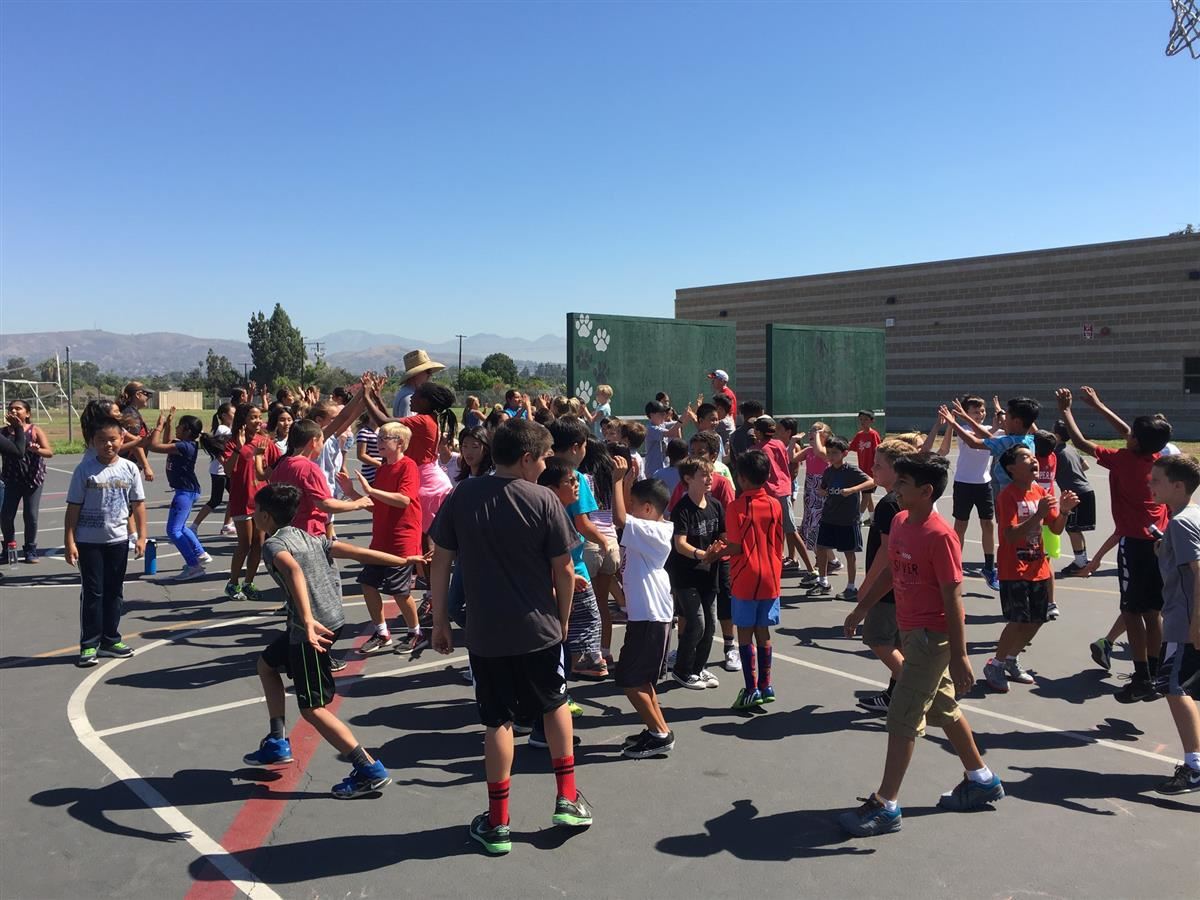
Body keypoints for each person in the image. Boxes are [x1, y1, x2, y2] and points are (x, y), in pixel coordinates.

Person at [429, 419, 593, 856]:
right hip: (539, 630)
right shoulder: (543, 499)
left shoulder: (463, 495)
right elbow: (564, 569)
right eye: (542, 459)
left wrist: (440, 620)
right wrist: (560, 621)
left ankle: (498, 822)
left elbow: (441, 560)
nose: (545, 466)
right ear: (525, 458)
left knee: (496, 720)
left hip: (485, 633)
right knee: (555, 703)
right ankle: (567, 797)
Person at [840, 453, 1004, 837]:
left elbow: (953, 599)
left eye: (902, 485)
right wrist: (861, 609)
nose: (894, 489)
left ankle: (886, 805)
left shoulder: (940, 536)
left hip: (934, 637)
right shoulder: (899, 521)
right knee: (944, 707)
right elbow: (891, 573)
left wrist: (962, 655)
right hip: (912, 633)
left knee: (901, 716)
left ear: (926, 491)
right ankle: (981, 778)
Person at [242, 483, 422, 797]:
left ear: (266, 517)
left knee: (314, 708)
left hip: (312, 628)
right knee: (266, 665)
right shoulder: (306, 536)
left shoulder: (274, 546)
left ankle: (368, 768)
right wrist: (400, 560)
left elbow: (294, 571)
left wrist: (308, 620)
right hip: (331, 620)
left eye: (256, 510)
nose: (253, 514)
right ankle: (276, 740)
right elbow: (350, 550)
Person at [1057, 386, 1171, 702]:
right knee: (1153, 612)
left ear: (1135, 441)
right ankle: (1156, 672)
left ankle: (1142, 678)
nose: (1127, 434)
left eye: (1131, 433)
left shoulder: (1122, 460)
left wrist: (1066, 410)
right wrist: (1098, 405)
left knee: (1131, 612)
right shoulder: (1158, 457)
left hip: (1133, 545)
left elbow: (1080, 443)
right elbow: (1128, 432)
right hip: (1158, 544)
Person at [982, 446, 1078, 693]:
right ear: (1011, 468)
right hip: (1014, 568)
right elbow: (1010, 535)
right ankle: (996, 663)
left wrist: (1064, 511)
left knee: (1038, 619)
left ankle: (1011, 659)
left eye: (1034, 457)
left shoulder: (1040, 492)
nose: (1034, 460)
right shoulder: (1007, 496)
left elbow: (1055, 529)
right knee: (1017, 620)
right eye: (1026, 457)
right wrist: (1039, 516)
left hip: (1039, 567)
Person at [843, 436, 921, 714]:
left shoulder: (889, 504)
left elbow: (887, 550)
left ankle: (916, 688)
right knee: (898, 641)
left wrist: (867, 585)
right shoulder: (905, 498)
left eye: (879, 466)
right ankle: (894, 694)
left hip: (889, 586)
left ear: (897, 470)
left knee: (877, 639)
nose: (873, 470)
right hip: (907, 582)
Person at [64, 416, 146, 668]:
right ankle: (89, 644)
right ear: (93, 442)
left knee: (114, 592)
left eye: (113, 439)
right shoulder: (85, 470)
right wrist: (70, 540)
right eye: (102, 440)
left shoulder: (129, 469)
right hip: (89, 542)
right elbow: (73, 508)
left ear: (122, 440)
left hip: (117, 540)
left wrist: (141, 536)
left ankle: (111, 639)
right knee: (93, 593)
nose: (108, 444)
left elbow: (138, 505)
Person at [609, 458, 677, 758]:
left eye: (634, 503)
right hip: (648, 615)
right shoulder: (652, 526)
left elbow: (619, 517)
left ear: (648, 508)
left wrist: (615, 479)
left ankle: (659, 734)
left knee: (629, 680)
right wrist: (627, 482)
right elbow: (626, 513)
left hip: (650, 616)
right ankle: (658, 730)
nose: (629, 506)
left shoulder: (652, 531)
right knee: (642, 680)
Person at [349, 421, 429, 657]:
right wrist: (354, 494)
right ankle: (382, 632)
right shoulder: (383, 469)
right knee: (367, 583)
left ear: (400, 443)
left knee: (399, 591)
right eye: (379, 437)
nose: (379, 441)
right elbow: (378, 507)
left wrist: (371, 491)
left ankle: (416, 632)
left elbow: (404, 500)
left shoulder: (408, 467)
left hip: (401, 538)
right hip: (381, 538)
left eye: (385, 438)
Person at [1148, 454, 1200, 794]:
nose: (1150, 485)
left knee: (1172, 687)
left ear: (1178, 486)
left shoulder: (1180, 523)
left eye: (1157, 481)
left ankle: (1195, 767)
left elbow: (1198, 573)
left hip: (1184, 623)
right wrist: (1163, 549)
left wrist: (1195, 624)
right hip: (1187, 618)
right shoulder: (1190, 516)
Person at [723, 449, 783, 709]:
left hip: (746, 576)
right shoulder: (775, 503)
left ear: (742, 478)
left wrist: (719, 550)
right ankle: (766, 685)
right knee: (764, 632)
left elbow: (735, 547)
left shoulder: (736, 507)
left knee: (744, 634)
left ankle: (751, 689)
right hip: (771, 575)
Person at [667, 457, 726, 690]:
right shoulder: (682, 509)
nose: (709, 479)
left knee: (711, 624)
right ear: (688, 479)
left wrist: (723, 547)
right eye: (704, 475)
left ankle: (698, 668)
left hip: (709, 575)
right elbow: (680, 544)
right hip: (685, 576)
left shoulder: (715, 505)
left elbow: (723, 535)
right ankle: (682, 670)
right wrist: (702, 554)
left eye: (710, 474)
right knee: (697, 622)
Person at [147, 408, 212, 582]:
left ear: (187, 431)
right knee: (181, 527)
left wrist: (159, 427)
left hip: (185, 492)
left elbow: (154, 446)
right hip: (187, 490)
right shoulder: (183, 444)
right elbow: (168, 442)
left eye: (178, 426)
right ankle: (200, 554)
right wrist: (168, 424)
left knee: (173, 530)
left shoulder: (185, 446)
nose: (176, 428)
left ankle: (193, 566)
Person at [224, 403, 281, 602]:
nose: (257, 421)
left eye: (259, 417)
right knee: (245, 543)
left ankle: (248, 582)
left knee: (259, 543)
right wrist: (239, 450)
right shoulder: (233, 442)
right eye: (253, 417)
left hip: (261, 501)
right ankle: (232, 583)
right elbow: (229, 471)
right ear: (243, 420)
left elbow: (278, 464)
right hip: (242, 499)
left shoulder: (264, 442)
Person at [807, 436, 874, 599]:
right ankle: (823, 582)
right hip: (829, 517)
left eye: (835, 453)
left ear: (844, 453)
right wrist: (822, 491)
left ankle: (851, 587)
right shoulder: (828, 471)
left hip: (848, 519)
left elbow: (871, 482)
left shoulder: (851, 471)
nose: (831, 456)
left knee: (849, 554)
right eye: (829, 453)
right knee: (822, 548)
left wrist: (853, 489)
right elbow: (824, 488)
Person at [754, 416, 816, 580]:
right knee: (788, 531)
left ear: (758, 432)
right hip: (783, 490)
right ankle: (805, 567)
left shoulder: (759, 449)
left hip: (771, 492)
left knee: (781, 531)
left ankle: (810, 569)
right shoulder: (779, 444)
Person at [2, 400, 53, 563]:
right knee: (6, 516)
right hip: (11, 479)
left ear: (28, 413)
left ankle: (30, 548)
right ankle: (8, 547)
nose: (14, 411)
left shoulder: (34, 430)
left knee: (30, 515)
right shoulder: (3, 433)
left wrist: (38, 449)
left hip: (33, 478)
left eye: (19, 408)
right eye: (11, 409)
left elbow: (49, 452)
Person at [1053, 419, 1096, 577]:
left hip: (1075, 493)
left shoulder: (1056, 453)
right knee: (1076, 529)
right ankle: (1082, 559)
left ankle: (1080, 562)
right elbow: (1086, 466)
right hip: (1087, 490)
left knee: (1072, 529)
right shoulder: (1071, 449)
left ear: (1056, 435)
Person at [191, 403, 235, 536]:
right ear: (224, 415)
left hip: (224, 469)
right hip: (220, 471)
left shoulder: (225, 428)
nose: (235, 415)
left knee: (235, 496)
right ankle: (194, 525)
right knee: (215, 500)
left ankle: (227, 525)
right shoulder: (223, 429)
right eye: (233, 413)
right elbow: (220, 449)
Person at [117, 381, 155, 483]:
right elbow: (136, 444)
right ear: (138, 395)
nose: (149, 397)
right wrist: (146, 467)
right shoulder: (131, 414)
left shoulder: (131, 412)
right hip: (127, 465)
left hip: (128, 464)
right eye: (147, 394)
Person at [392, 349, 445, 418]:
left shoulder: (407, 393)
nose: (430, 375)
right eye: (428, 371)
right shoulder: (409, 399)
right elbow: (408, 428)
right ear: (416, 373)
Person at [851, 410, 882, 522]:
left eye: (866, 420)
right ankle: (873, 519)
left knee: (865, 495)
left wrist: (878, 468)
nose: (863, 422)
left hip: (871, 472)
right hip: (862, 471)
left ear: (872, 421)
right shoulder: (859, 435)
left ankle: (857, 519)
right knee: (867, 495)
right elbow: (850, 447)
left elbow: (879, 451)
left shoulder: (873, 435)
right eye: (861, 420)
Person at [643, 400, 683, 478]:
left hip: (664, 467)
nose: (664, 416)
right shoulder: (651, 429)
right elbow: (670, 433)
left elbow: (677, 424)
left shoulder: (662, 425)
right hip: (653, 470)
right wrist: (682, 420)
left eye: (664, 413)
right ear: (651, 415)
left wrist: (689, 415)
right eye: (661, 414)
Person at [728, 399, 763, 468]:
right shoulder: (756, 434)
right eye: (761, 416)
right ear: (754, 416)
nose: (762, 419)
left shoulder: (733, 435)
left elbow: (733, 462)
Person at [355, 413, 381, 485]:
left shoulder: (383, 430)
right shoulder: (364, 432)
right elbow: (361, 455)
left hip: (384, 470)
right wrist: (380, 465)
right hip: (372, 472)